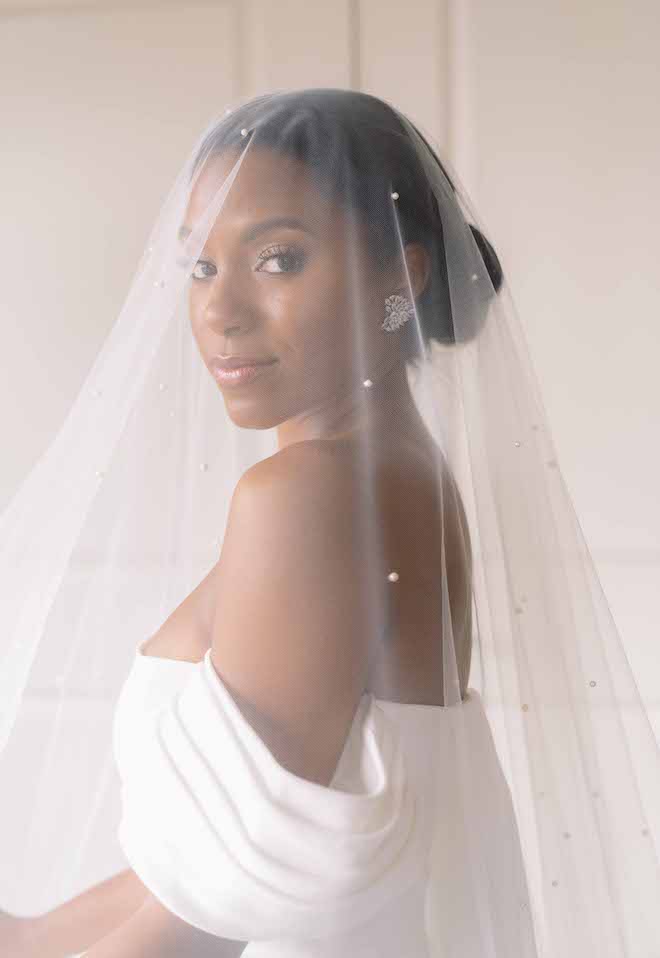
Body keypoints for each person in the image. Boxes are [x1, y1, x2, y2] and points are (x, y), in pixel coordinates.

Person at [0, 88, 658, 957]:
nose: (219, 310)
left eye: (276, 260)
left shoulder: (310, 495)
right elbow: (189, 878)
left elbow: (205, 921)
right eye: (200, 265)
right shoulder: (398, 476)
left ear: (401, 275)